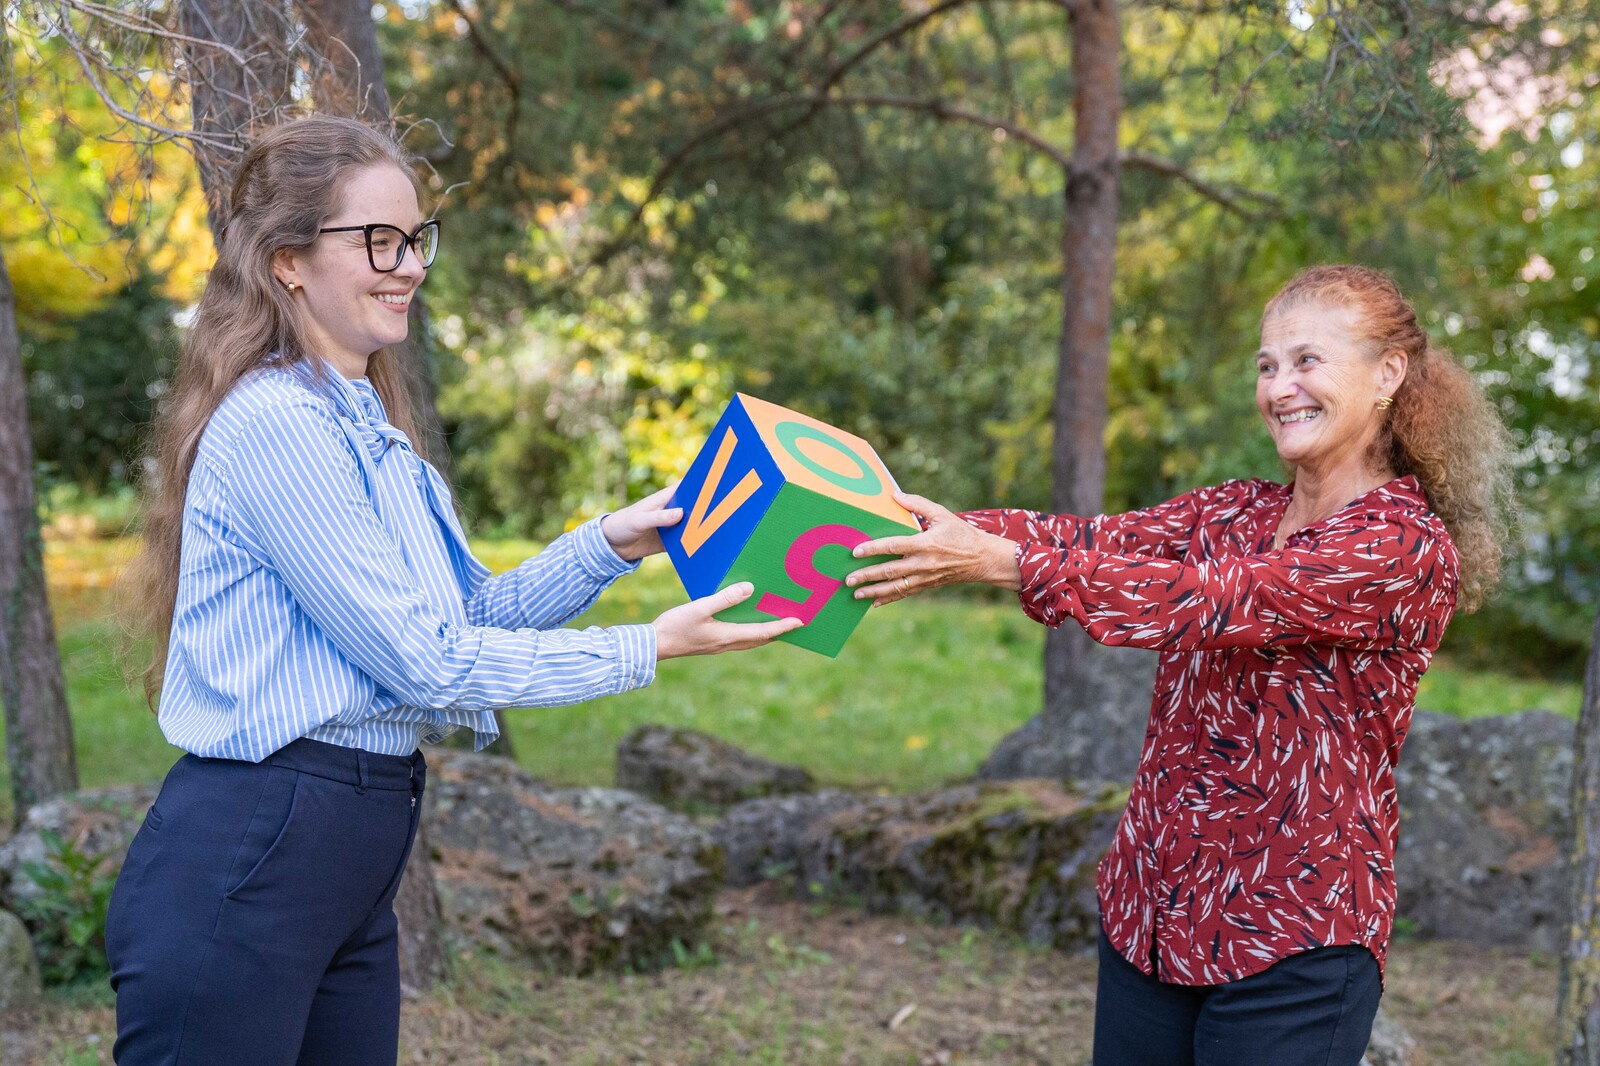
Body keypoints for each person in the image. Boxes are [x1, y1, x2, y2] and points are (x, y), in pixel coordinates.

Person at [106, 115, 800, 1066]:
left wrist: (610, 545)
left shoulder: (368, 428)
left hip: (353, 842)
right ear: (287, 262)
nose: (409, 266)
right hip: (256, 849)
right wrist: (650, 647)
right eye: (376, 240)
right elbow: (428, 664)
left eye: (416, 238)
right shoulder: (278, 426)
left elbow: (461, 621)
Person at [847, 265, 1514, 1066]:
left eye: (1307, 361)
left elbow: (1207, 601)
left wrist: (1002, 565)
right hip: (1152, 919)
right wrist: (915, 525)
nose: (1279, 387)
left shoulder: (1401, 546)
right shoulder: (1238, 509)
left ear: (1388, 375)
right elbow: (1092, 542)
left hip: (1293, 940)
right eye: (1266, 366)